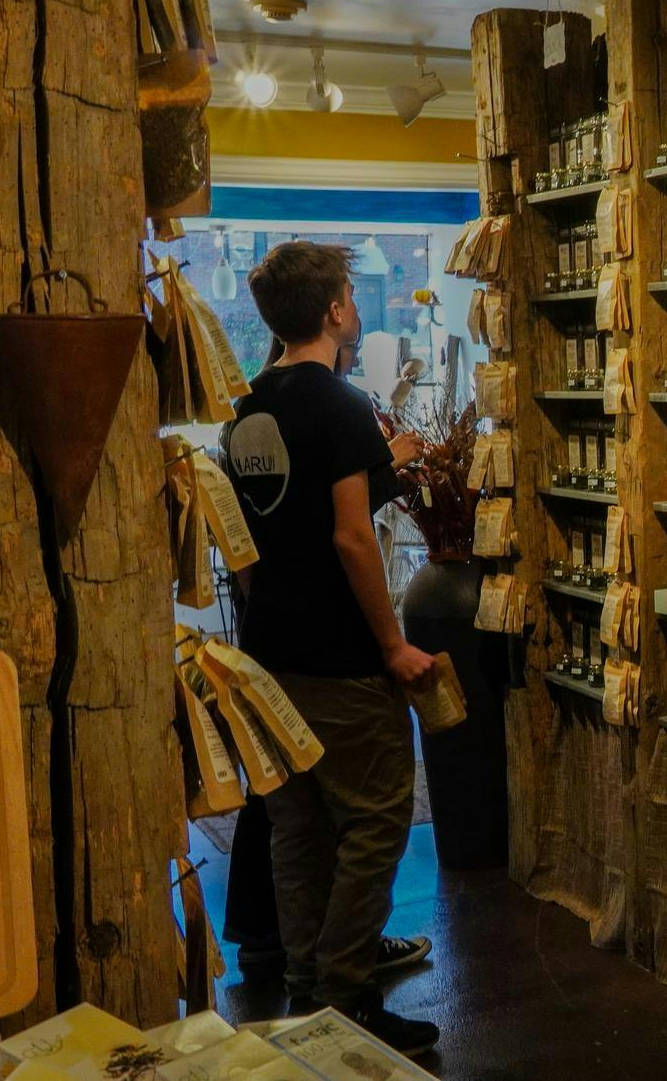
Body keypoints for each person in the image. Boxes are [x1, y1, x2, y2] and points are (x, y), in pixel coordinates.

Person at [221, 241, 439, 1054]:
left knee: (298, 830)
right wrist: (393, 646)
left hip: (271, 653)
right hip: (343, 659)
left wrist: (262, 619)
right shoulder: (342, 408)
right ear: (337, 309)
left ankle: (309, 995)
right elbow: (353, 538)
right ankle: (347, 999)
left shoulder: (246, 410)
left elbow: (249, 539)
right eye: (348, 293)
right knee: (377, 821)